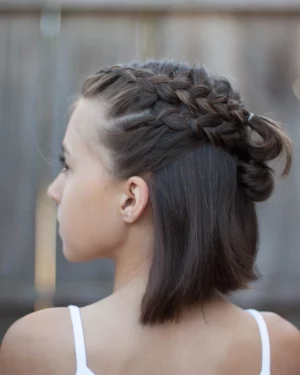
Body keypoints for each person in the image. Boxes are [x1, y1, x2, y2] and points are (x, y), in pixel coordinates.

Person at [0, 60, 299, 375]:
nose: (54, 191)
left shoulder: (43, 348)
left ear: (131, 198)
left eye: (67, 165)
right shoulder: (277, 347)